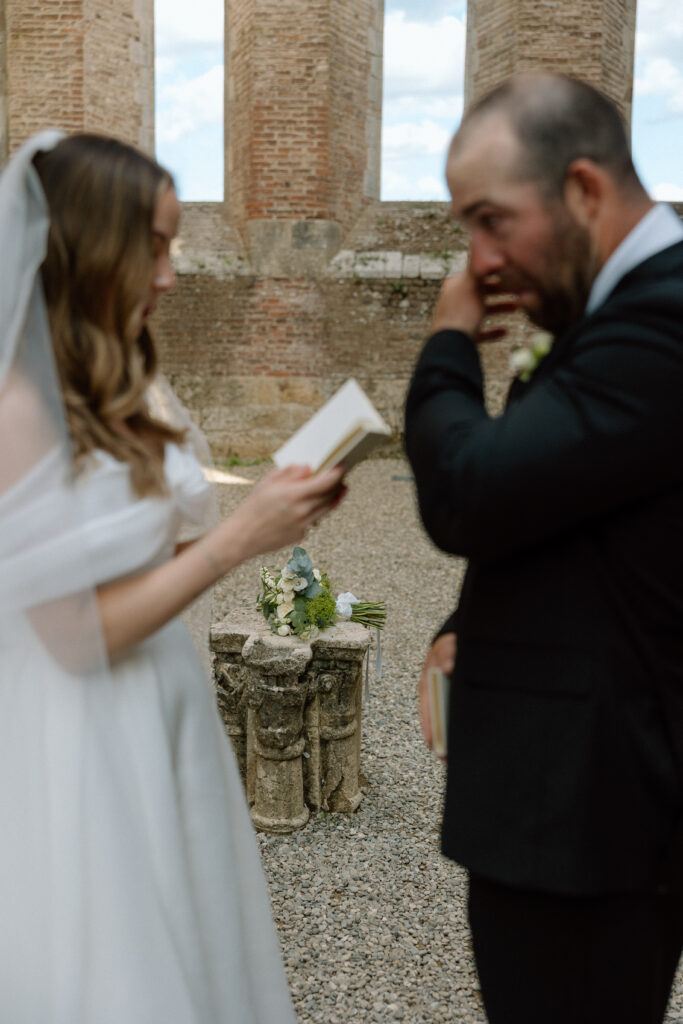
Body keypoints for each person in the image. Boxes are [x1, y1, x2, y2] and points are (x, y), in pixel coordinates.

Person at [0, 130, 345, 1023]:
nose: (171, 273)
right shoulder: (17, 412)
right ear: (92, 245)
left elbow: (147, 558)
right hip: (84, 728)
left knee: (195, 949)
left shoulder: (127, 387)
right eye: (155, 245)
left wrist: (269, 510)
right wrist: (238, 541)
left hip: (163, 695)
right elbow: (73, 637)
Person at [404, 73, 683, 1024]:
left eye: (491, 220)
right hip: (563, 800)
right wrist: (466, 619)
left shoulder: (661, 319)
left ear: (583, 191)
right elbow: (579, 508)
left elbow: (469, 494)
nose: (477, 262)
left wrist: (446, 346)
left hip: (590, 814)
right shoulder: (614, 313)